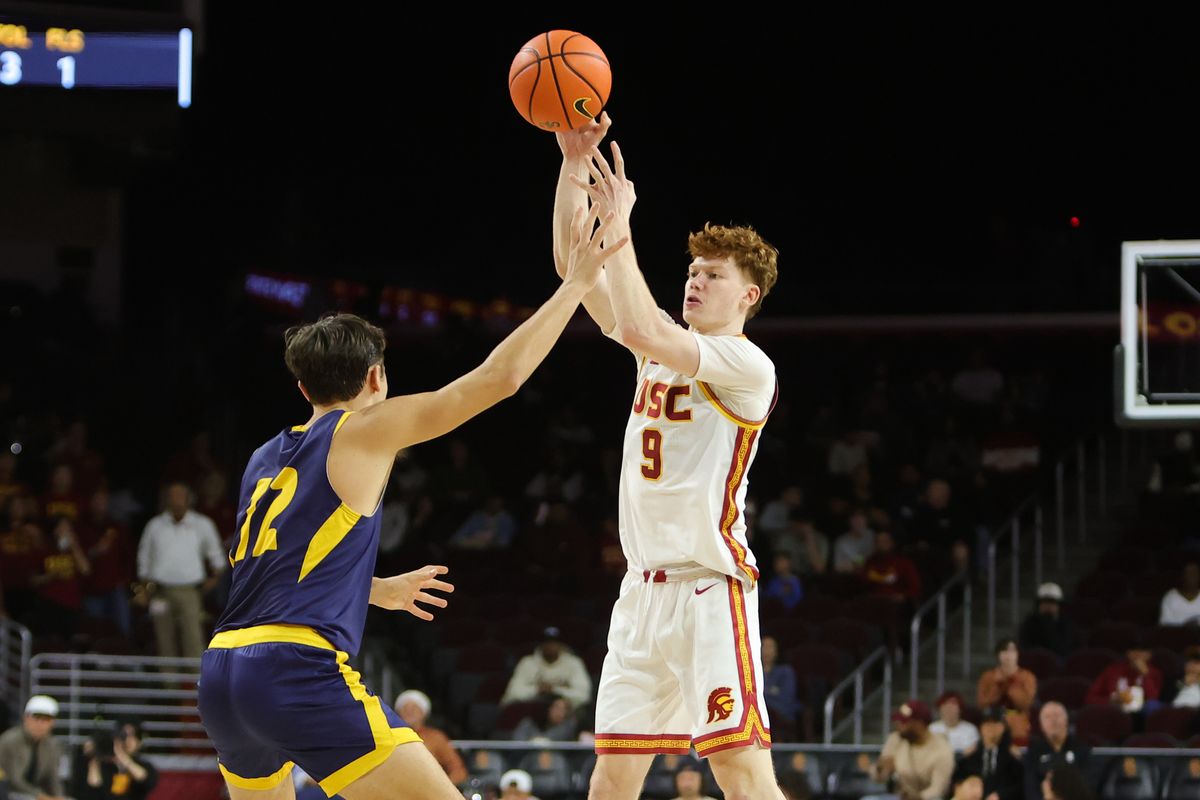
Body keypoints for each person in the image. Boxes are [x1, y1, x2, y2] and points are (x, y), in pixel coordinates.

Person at [197, 210, 626, 800]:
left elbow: (270, 566)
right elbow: (497, 379)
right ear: (376, 378)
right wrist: (576, 284)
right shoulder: (365, 429)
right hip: (293, 668)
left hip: (222, 672)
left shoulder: (264, 456)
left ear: (302, 387)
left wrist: (372, 587)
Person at [556, 114, 785, 799]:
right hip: (641, 593)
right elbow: (574, 268)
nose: (694, 281)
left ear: (747, 295)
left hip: (709, 589)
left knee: (741, 775)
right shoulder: (658, 352)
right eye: (690, 270)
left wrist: (619, 222)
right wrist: (574, 167)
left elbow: (641, 325)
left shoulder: (747, 365)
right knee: (612, 779)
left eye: (711, 275)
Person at [136, 482, 226, 658]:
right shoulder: (155, 526)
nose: (176, 500)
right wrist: (144, 589)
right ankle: (169, 685)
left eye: (180, 496)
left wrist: (213, 580)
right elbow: (144, 558)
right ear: (166, 500)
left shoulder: (202, 524)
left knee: (193, 640)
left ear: (188, 499)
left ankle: (197, 684)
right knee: (164, 642)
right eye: (172, 496)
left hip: (190, 592)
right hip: (160, 592)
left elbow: (218, 558)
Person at [870, 699, 955, 800]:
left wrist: (916, 797)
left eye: (904, 722)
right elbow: (878, 779)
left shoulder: (941, 748)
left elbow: (938, 790)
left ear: (919, 724)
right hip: (899, 797)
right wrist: (880, 768)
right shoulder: (896, 739)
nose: (898, 725)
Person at [500, 626, 593, 710]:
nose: (550, 646)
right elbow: (513, 693)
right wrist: (538, 689)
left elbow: (583, 696)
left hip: (564, 713)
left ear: (560, 644)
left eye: (554, 642)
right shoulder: (527, 663)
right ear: (541, 644)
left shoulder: (573, 663)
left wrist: (554, 690)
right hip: (532, 710)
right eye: (547, 642)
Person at [71, 719, 159, 800]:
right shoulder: (102, 764)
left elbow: (146, 781)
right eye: (123, 735)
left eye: (132, 735)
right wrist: (95, 756)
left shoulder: (143, 765)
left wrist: (123, 758)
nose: (126, 740)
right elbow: (90, 793)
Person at [393, 689, 468, 785]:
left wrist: (440, 787)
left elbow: (458, 771)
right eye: (405, 708)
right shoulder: (388, 736)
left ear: (424, 713)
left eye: (414, 709)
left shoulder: (436, 738)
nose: (409, 712)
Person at [0, 695, 66, 800]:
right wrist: (39, 795)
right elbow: (13, 779)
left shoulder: (52, 745)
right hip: (9, 793)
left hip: (35, 793)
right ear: (26, 718)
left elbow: (52, 778)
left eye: (46, 720)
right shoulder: (10, 740)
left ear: (52, 723)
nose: (40, 724)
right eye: (36, 718)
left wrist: (58, 797)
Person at [1022, 702, 1091, 800]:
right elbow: (1030, 786)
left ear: (1066, 720)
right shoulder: (1033, 752)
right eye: (1047, 717)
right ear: (1041, 724)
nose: (1053, 720)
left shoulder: (1081, 749)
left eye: (1057, 715)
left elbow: (1087, 782)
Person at [1084, 634, 1162, 719]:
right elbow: (1090, 698)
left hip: (1140, 715)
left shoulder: (1154, 673)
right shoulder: (1112, 670)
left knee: (1153, 706)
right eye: (1133, 650)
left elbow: (1153, 700)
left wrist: (1145, 675)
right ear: (1127, 653)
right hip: (1114, 711)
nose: (1138, 654)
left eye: (1143, 651)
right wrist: (1111, 700)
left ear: (1150, 655)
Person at [952, 706, 1023, 800]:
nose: (990, 728)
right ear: (981, 727)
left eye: (995, 723)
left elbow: (1019, 784)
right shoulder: (970, 756)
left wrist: (1000, 795)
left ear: (1002, 727)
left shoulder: (1011, 757)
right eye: (986, 723)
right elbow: (957, 780)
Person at [977, 638, 1036, 746]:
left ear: (1017, 654)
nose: (1008, 655)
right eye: (1004, 651)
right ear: (998, 654)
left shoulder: (1027, 677)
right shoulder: (988, 677)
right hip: (993, 721)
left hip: (1018, 722)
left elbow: (1026, 704)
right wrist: (998, 686)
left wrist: (1011, 685)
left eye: (1012, 651)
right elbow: (982, 704)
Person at [761, 635, 802, 742]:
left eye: (770, 647)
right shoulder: (751, 673)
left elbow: (786, 697)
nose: (766, 651)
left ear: (777, 651)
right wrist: (771, 691)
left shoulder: (785, 671)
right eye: (764, 647)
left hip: (781, 713)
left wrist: (763, 693)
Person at [1018, 583, 1075, 658]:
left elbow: (1064, 649)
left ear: (1059, 605)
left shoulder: (1066, 623)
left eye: (1052, 603)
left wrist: (1049, 625)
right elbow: (1025, 648)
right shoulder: (1029, 623)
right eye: (1044, 602)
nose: (1048, 606)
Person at [929, 691, 980, 757]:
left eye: (953, 705)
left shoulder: (970, 729)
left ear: (960, 709)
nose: (949, 708)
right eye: (945, 705)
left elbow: (971, 751)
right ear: (939, 709)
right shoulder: (932, 728)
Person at [511, 694, 580, 742]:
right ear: (547, 709)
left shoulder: (567, 726)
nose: (561, 713)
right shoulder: (527, 724)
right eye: (557, 708)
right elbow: (517, 744)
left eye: (564, 709)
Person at [1160, 560, 1200, 626]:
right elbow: (1165, 628)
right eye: (1188, 573)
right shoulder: (1170, 597)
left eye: (1194, 573)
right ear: (1182, 576)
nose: (1192, 576)